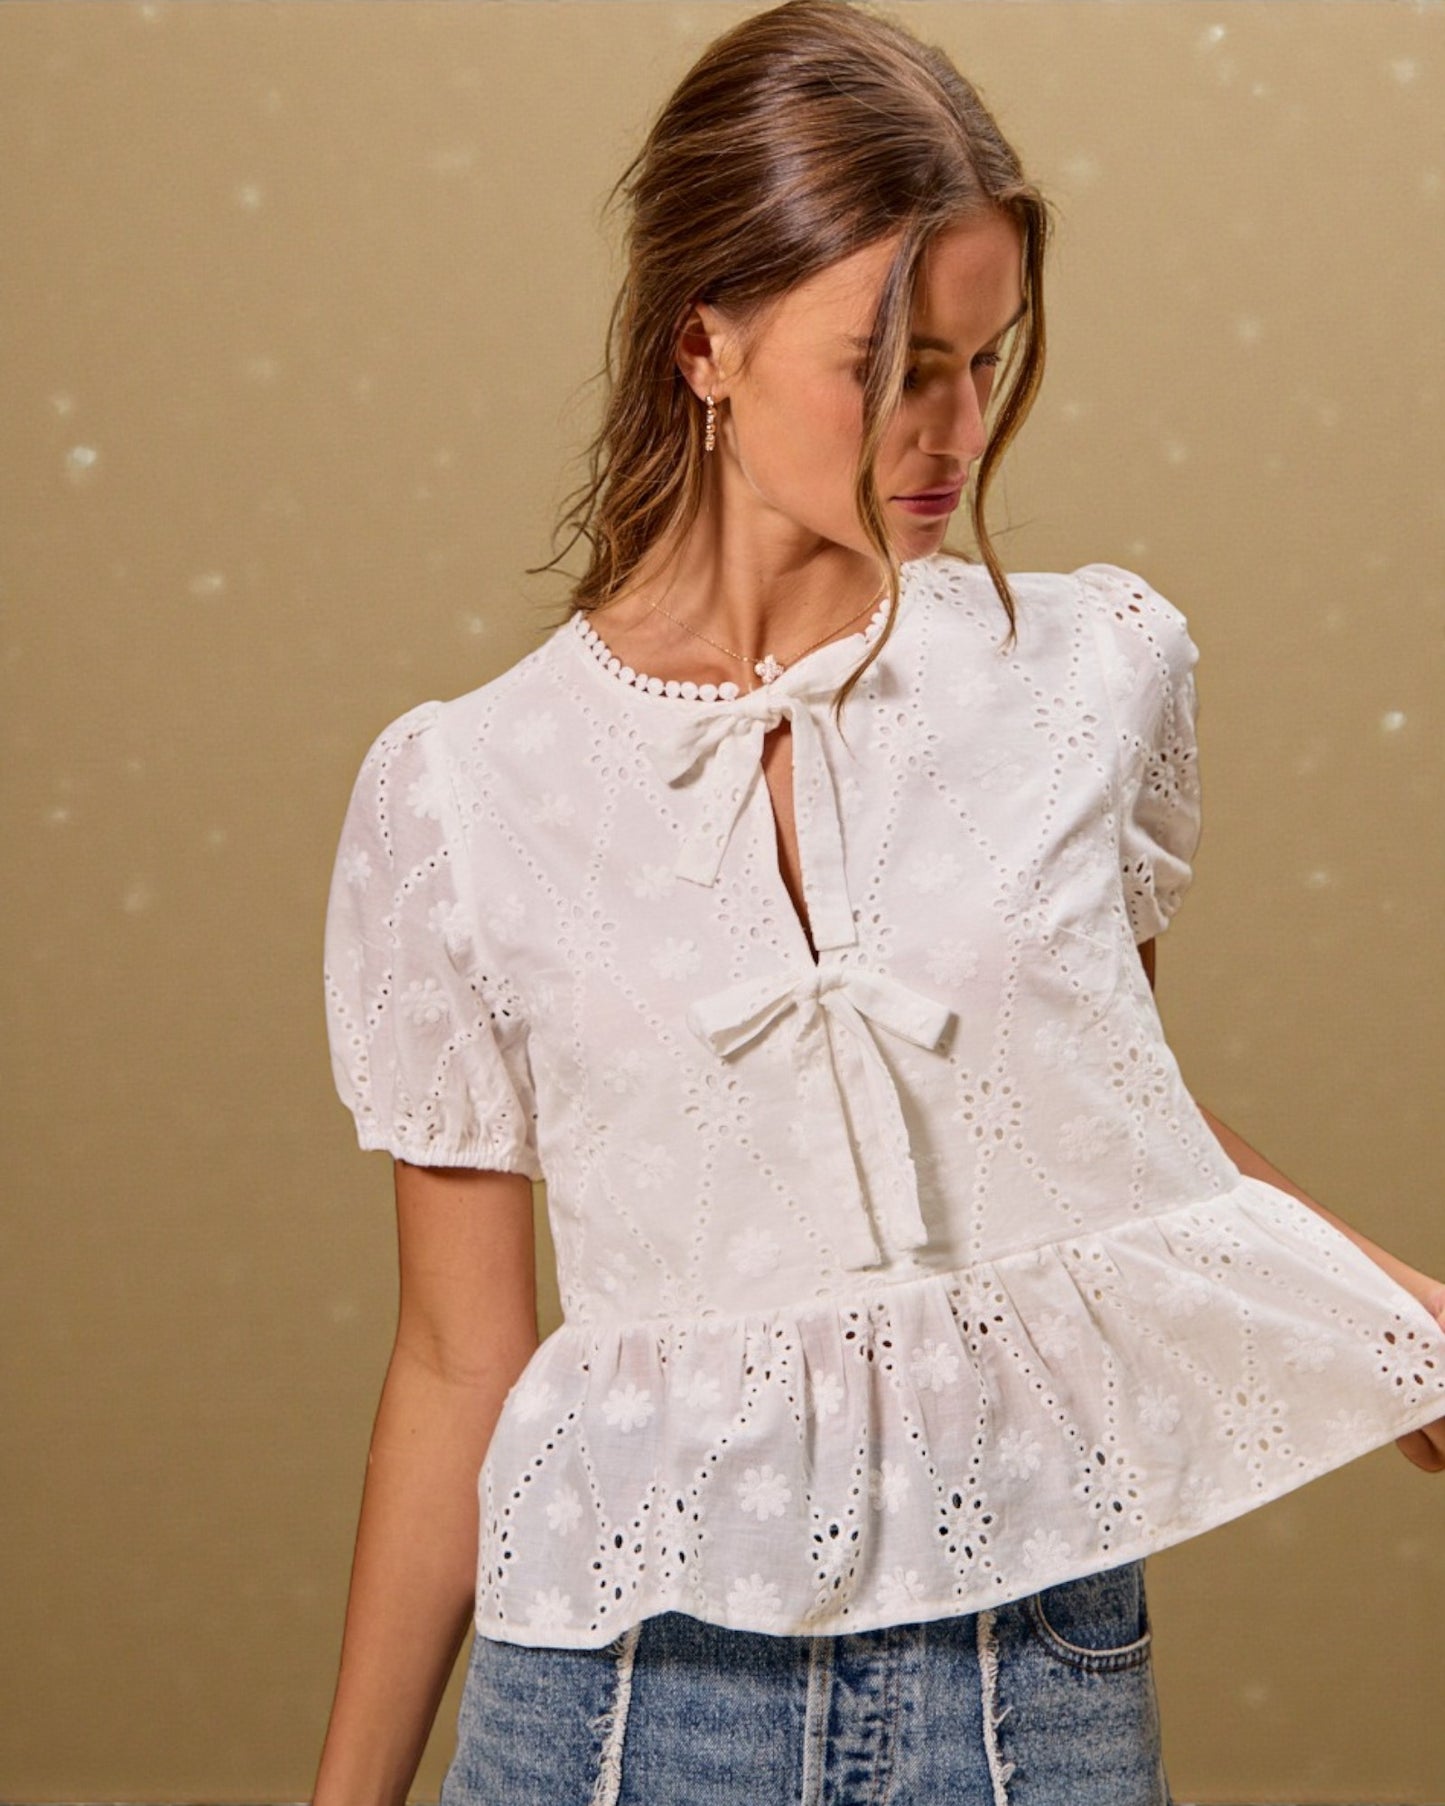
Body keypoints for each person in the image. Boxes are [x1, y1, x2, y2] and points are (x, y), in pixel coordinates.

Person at [309, 4, 1445, 1801]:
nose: (951, 428)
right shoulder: (466, 789)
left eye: (984, 361)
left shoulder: (1087, 673)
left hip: (1026, 1674)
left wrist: (1404, 1317)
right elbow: (461, 1359)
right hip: (612, 1696)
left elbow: (1116, 1134)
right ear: (704, 342)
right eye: (888, 361)